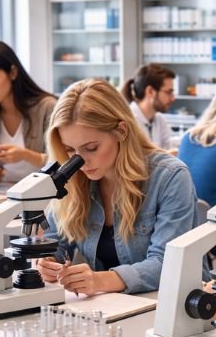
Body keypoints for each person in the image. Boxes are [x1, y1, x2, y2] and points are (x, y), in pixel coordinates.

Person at [36, 79, 200, 295]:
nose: (80, 162)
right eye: (69, 150)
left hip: (170, 302)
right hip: (111, 305)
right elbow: (54, 242)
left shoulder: (170, 177)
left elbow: (167, 263)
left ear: (121, 131)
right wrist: (46, 261)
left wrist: (100, 280)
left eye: (91, 148)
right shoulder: (74, 179)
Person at [0, 41, 57, 185]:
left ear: (13, 73)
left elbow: (64, 162)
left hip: (41, 193)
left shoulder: (47, 107)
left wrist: (25, 155)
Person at [121, 63, 176, 151]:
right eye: (168, 92)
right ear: (150, 91)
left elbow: (169, 148)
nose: (173, 98)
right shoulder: (128, 122)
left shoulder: (160, 120)